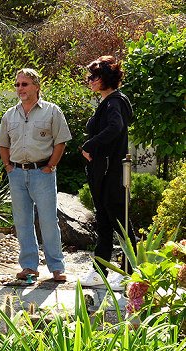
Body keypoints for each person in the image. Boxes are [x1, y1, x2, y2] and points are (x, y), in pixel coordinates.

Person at [0, 68, 71, 282]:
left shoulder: (52, 111)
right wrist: (8, 166)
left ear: (36, 86)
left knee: (48, 220)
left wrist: (51, 166)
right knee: (22, 221)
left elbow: (60, 141)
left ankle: (56, 267)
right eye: (17, 85)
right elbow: (3, 143)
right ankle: (29, 267)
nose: (20, 88)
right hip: (17, 174)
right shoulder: (10, 115)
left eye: (24, 84)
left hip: (43, 173)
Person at [79, 55, 137, 291]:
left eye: (94, 76)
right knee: (105, 221)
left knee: (119, 222)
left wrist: (90, 145)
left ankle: (129, 273)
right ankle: (102, 270)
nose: (89, 80)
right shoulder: (110, 102)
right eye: (89, 76)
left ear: (106, 78)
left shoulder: (115, 102)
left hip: (111, 173)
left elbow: (116, 128)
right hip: (103, 171)